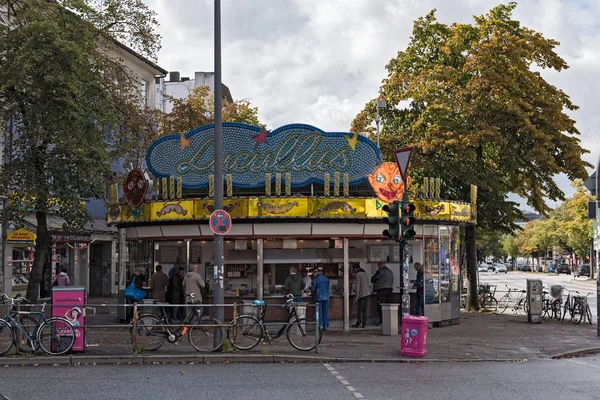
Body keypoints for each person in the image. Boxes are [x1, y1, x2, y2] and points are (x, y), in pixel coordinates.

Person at [371, 261, 394, 326]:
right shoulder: (390, 271)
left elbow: (373, 279)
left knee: (381, 306)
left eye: (378, 266)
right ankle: (388, 321)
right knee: (388, 306)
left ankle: (382, 321)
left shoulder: (380, 271)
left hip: (381, 290)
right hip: (389, 290)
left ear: (380, 265)